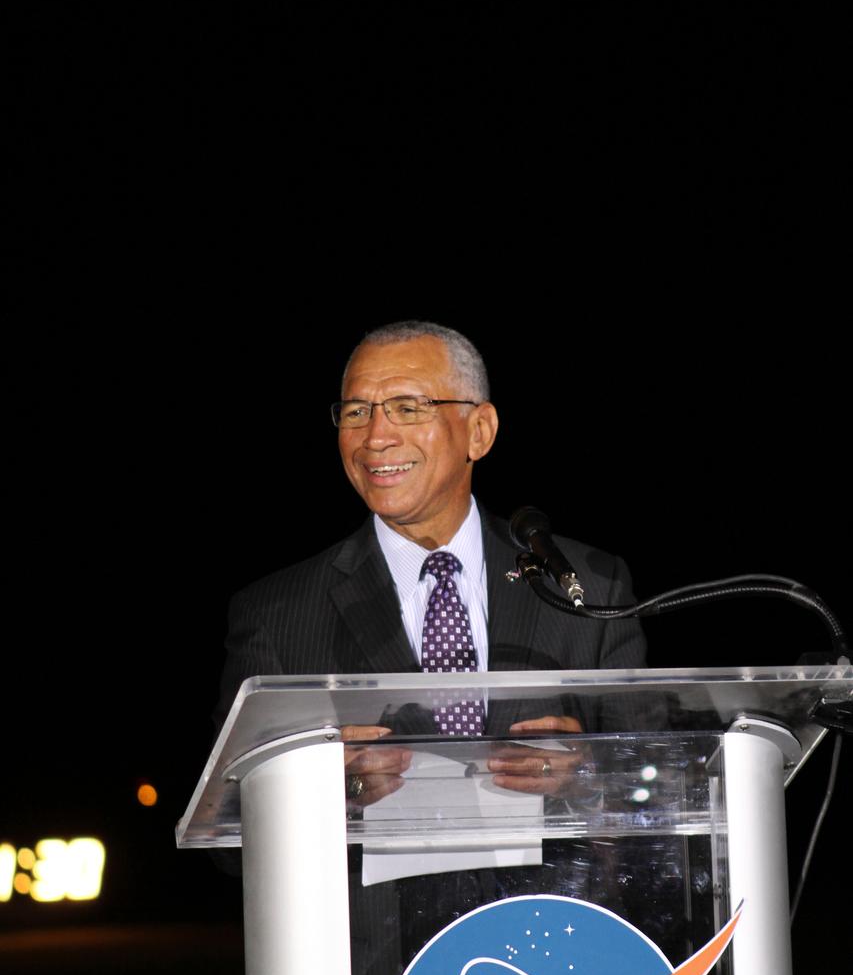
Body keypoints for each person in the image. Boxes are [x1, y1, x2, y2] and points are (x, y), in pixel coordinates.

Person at [215, 320, 646, 800]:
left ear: (478, 432)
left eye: (407, 408)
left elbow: (651, 786)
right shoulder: (275, 616)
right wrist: (318, 790)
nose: (375, 437)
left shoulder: (589, 585)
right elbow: (230, 823)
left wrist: (587, 779)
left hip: (552, 877)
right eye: (357, 411)